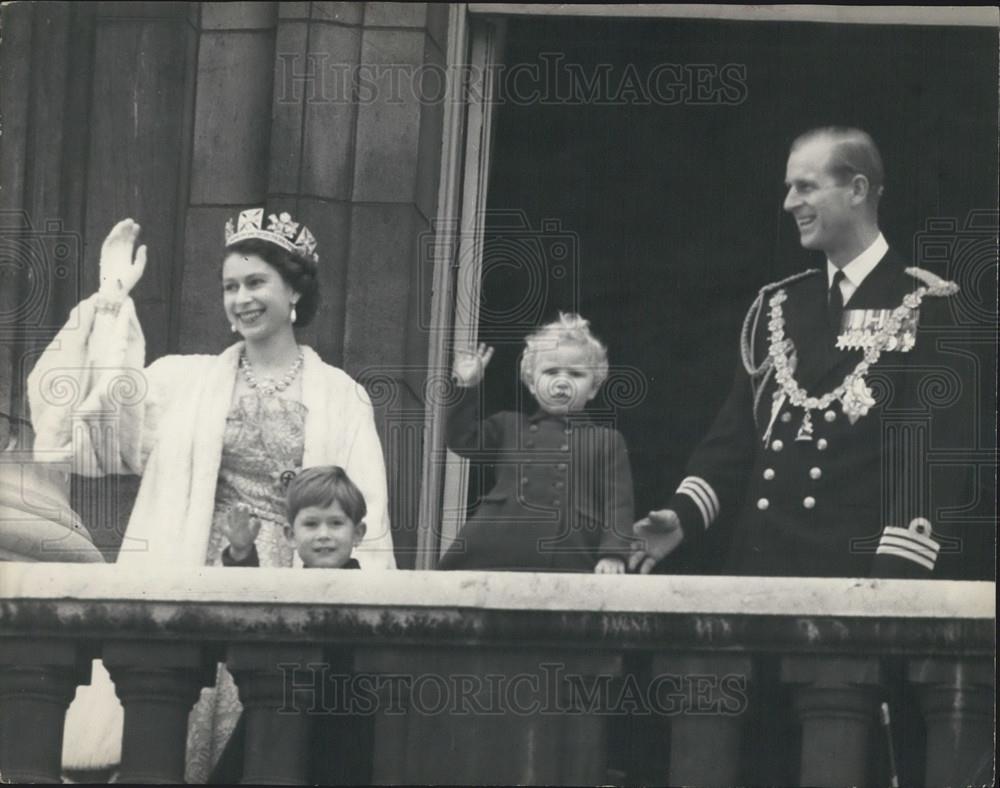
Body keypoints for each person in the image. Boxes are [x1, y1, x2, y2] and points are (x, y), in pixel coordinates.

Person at [27, 210, 396, 780]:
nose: (241, 298)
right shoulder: (187, 381)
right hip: (197, 572)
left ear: (294, 289)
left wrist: (359, 632)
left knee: (273, 754)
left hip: (290, 592)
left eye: (255, 283)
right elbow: (94, 427)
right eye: (230, 286)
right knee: (173, 743)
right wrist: (108, 305)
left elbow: (365, 518)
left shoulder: (341, 397)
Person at [629, 127, 988, 580]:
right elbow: (734, 441)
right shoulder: (778, 307)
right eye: (788, 188)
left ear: (856, 189)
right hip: (755, 571)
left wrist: (892, 585)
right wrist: (682, 515)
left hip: (854, 582)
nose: (789, 203)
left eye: (806, 187)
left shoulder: (928, 307)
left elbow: (929, 466)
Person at [210, 466, 372, 784]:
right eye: (311, 524)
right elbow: (251, 609)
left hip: (345, 719)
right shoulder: (287, 587)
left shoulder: (369, 593)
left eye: (336, 523)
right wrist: (241, 554)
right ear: (289, 534)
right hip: (281, 708)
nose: (323, 534)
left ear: (358, 533)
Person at [438, 312, 634, 572]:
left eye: (576, 374)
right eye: (551, 371)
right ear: (531, 382)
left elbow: (618, 504)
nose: (562, 382)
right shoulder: (508, 426)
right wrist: (466, 386)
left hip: (569, 548)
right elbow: (461, 439)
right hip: (497, 544)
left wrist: (613, 554)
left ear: (594, 388)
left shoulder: (607, 440)